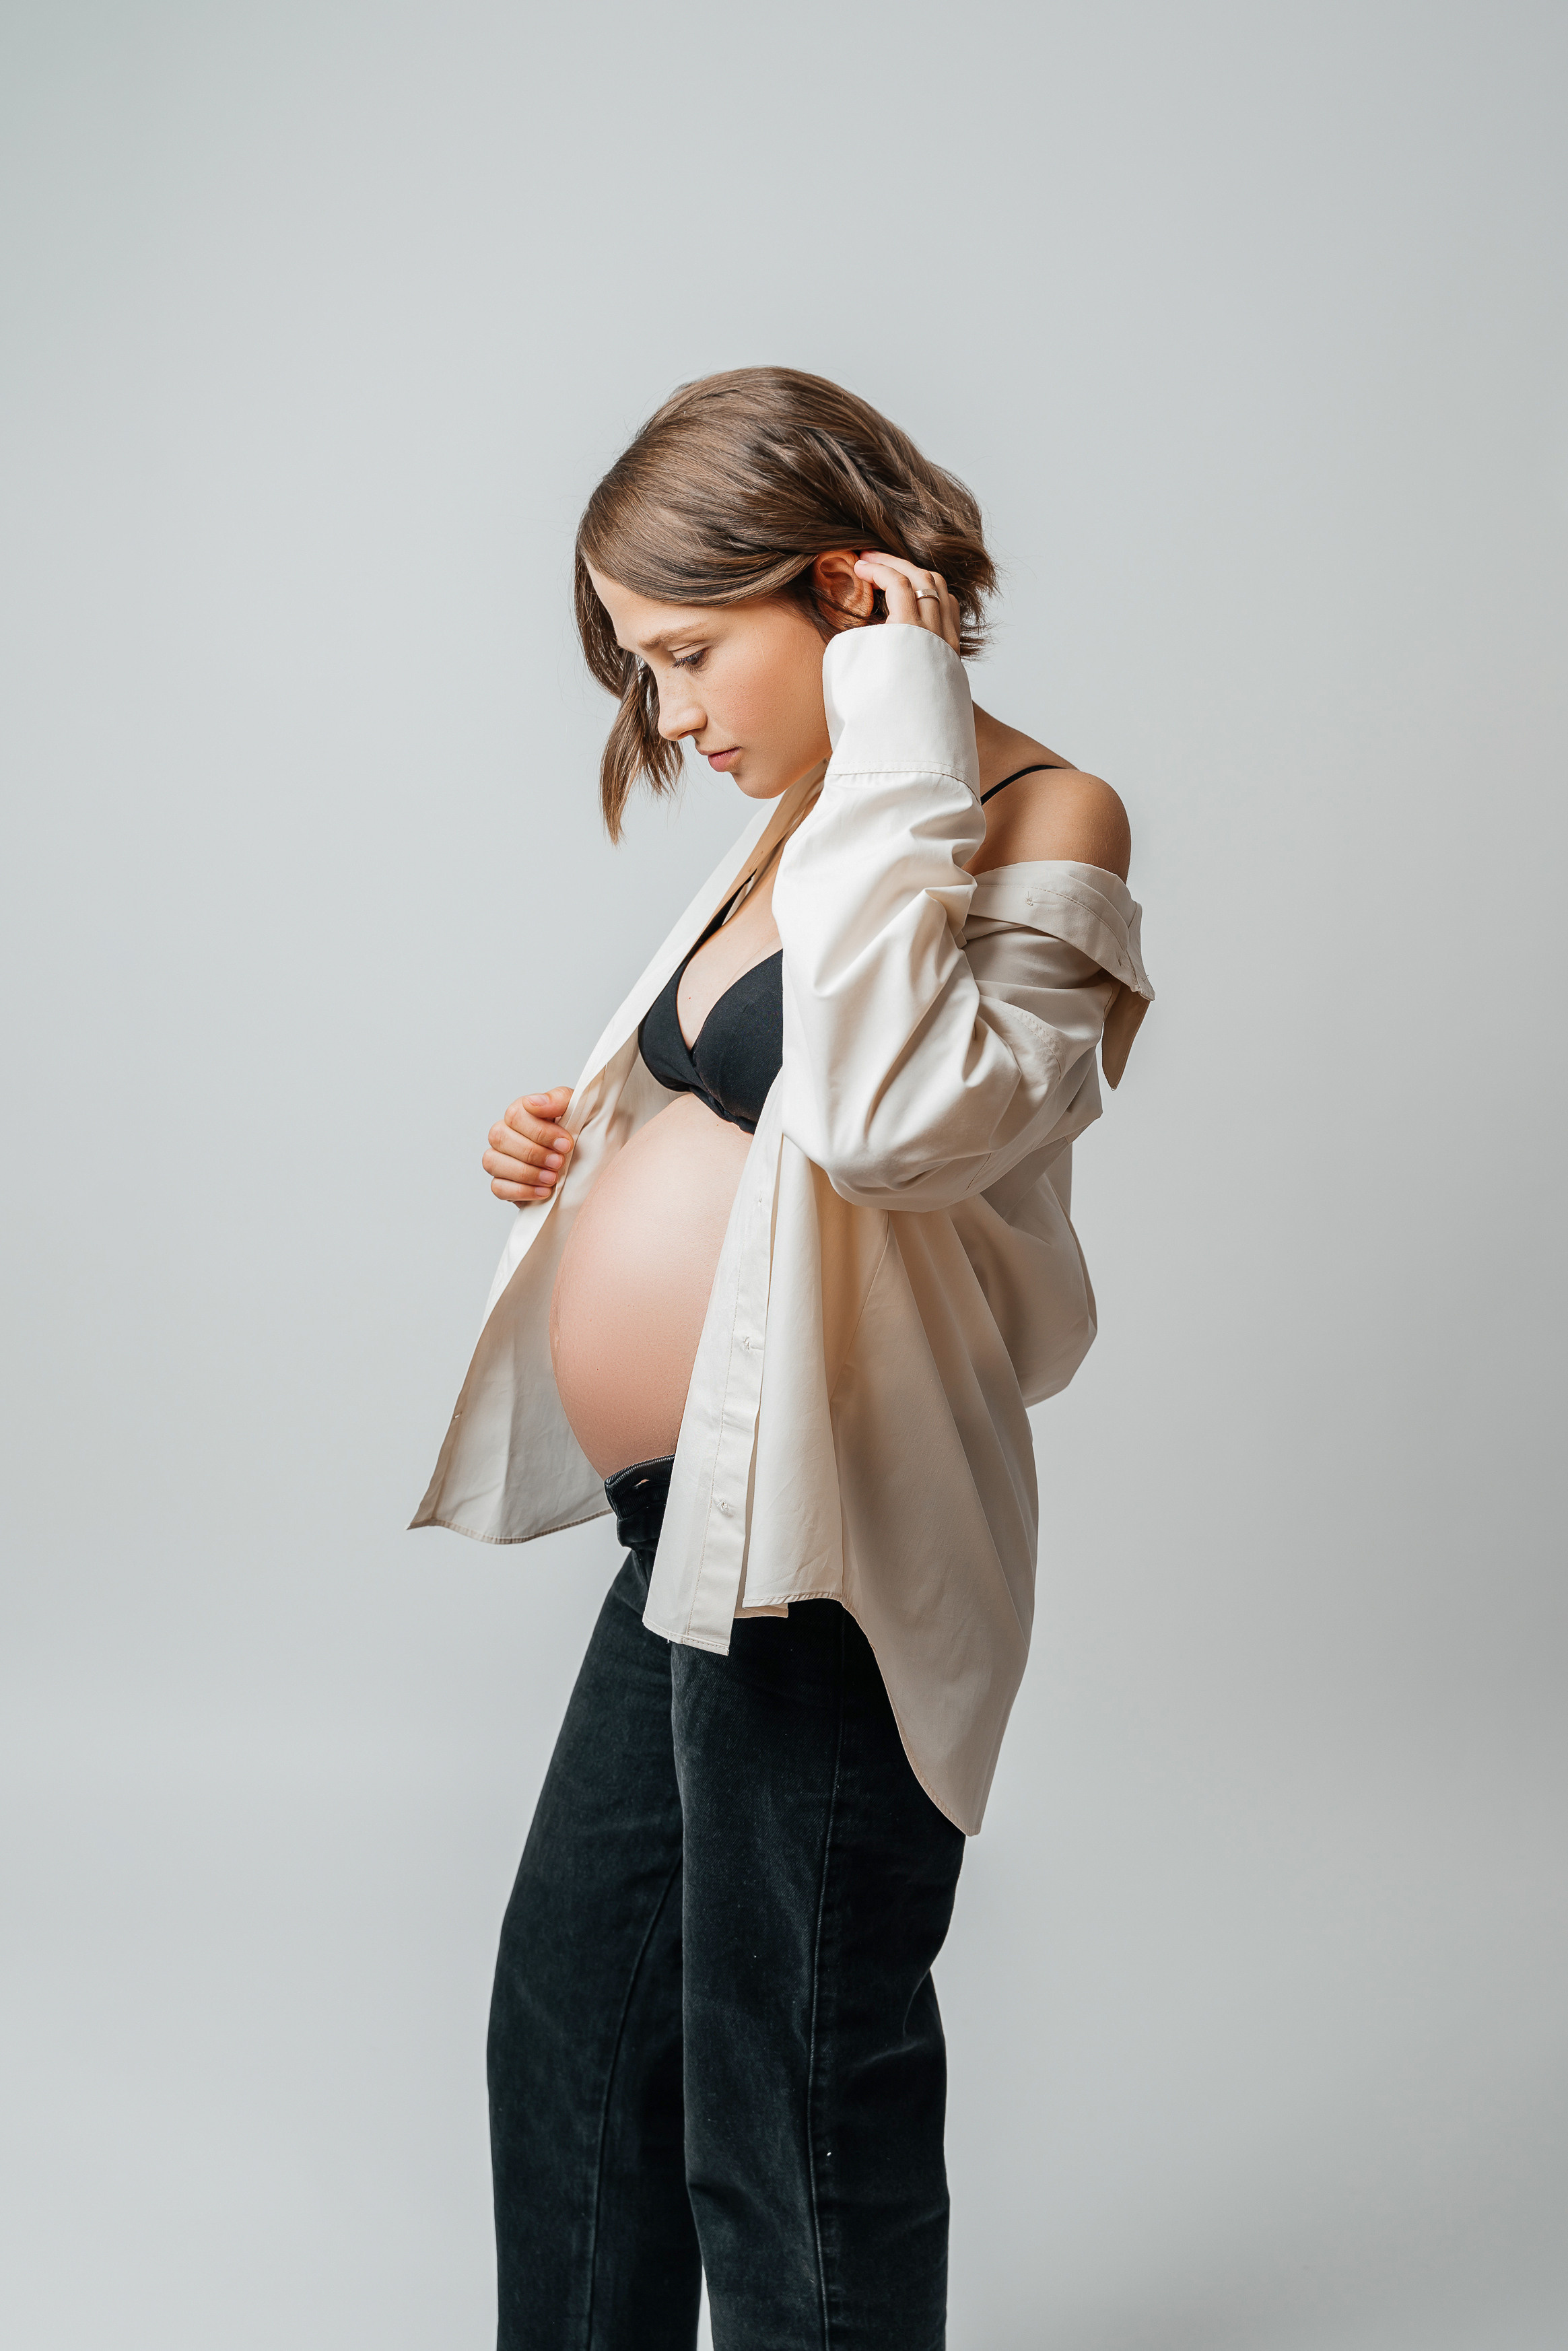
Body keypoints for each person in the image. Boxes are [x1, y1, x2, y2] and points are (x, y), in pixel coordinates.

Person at [412, 366, 1154, 2351]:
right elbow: (745, 1131)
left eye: (684, 654)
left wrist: (904, 718)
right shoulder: (812, 822)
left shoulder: (1023, 813)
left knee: (796, 2096)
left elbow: (898, 1115)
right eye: (641, 674)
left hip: (829, 1554)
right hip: (689, 1528)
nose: (670, 718)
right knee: (575, 2038)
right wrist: (584, 1147)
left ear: (837, 585)